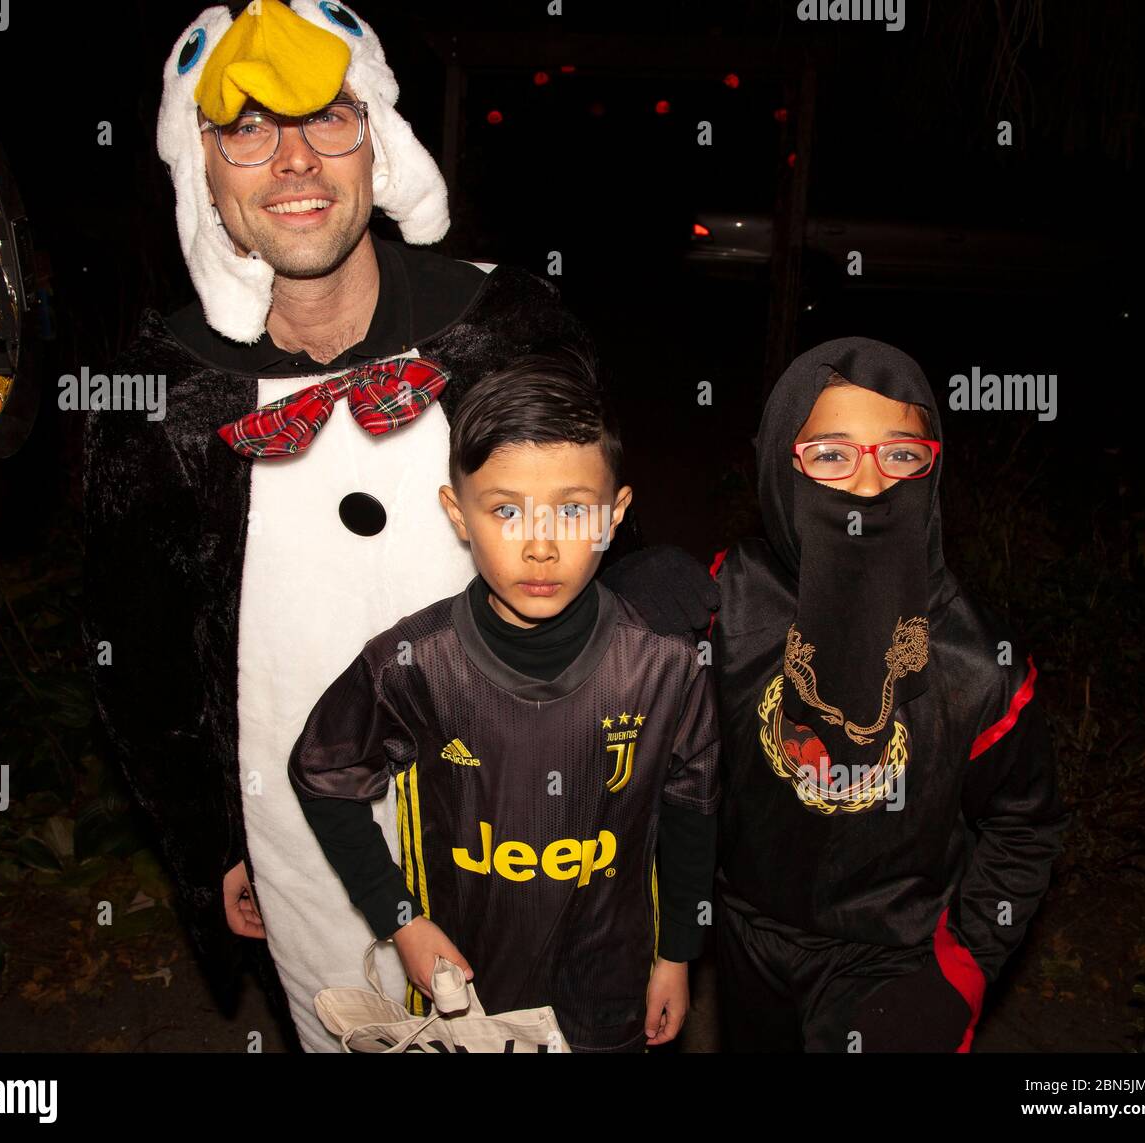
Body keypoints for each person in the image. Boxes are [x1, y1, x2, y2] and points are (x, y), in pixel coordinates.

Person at [81, 0, 713, 1053]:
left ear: (379, 143)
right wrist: (209, 845)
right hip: (307, 848)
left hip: (529, 832)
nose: (293, 161)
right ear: (203, 169)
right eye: (247, 129)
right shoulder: (160, 395)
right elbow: (139, 660)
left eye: (327, 117)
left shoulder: (506, 329)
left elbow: (598, 565)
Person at [289, 350, 721, 1052]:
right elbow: (321, 777)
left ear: (615, 516)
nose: (541, 545)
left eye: (574, 510)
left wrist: (677, 955)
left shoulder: (665, 666)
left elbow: (692, 814)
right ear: (458, 515)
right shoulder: (411, 664)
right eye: (506, 510)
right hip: (466, 1000)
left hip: (607, 997)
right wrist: (401, 918)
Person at [708, 336, 1070, 1052]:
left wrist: (959, 971)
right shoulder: (726, 602)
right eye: (833, 455)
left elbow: (1027, 826)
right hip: (747, 941)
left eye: (900, 454)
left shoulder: (980, 665)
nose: (870, 488)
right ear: (785, 464)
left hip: (893, 961)